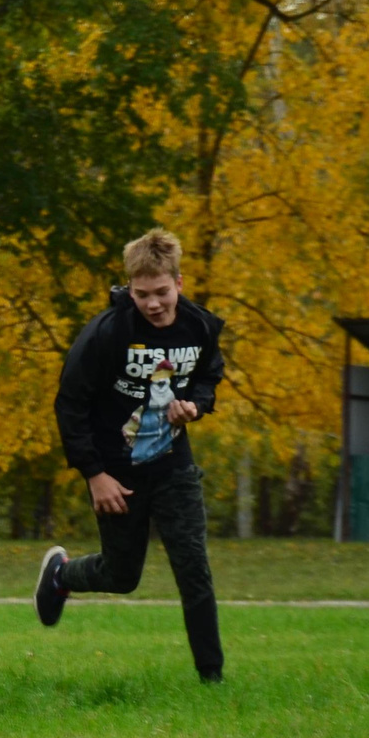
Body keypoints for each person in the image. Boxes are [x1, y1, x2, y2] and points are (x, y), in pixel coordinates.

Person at [35, 228, 229, 682]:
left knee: (194, 570)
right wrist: (94, 474)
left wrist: (195, 406)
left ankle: (212, 678)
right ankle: (61, 574)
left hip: (174, 466)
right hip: (117, 472)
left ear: (178, 283)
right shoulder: (107, 333)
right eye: (142, 295)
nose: (153, 304)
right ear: (130, 288)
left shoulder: (200, 326)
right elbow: (70, 404)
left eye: (161, 292)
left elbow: (209, 376)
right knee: (122, 576)